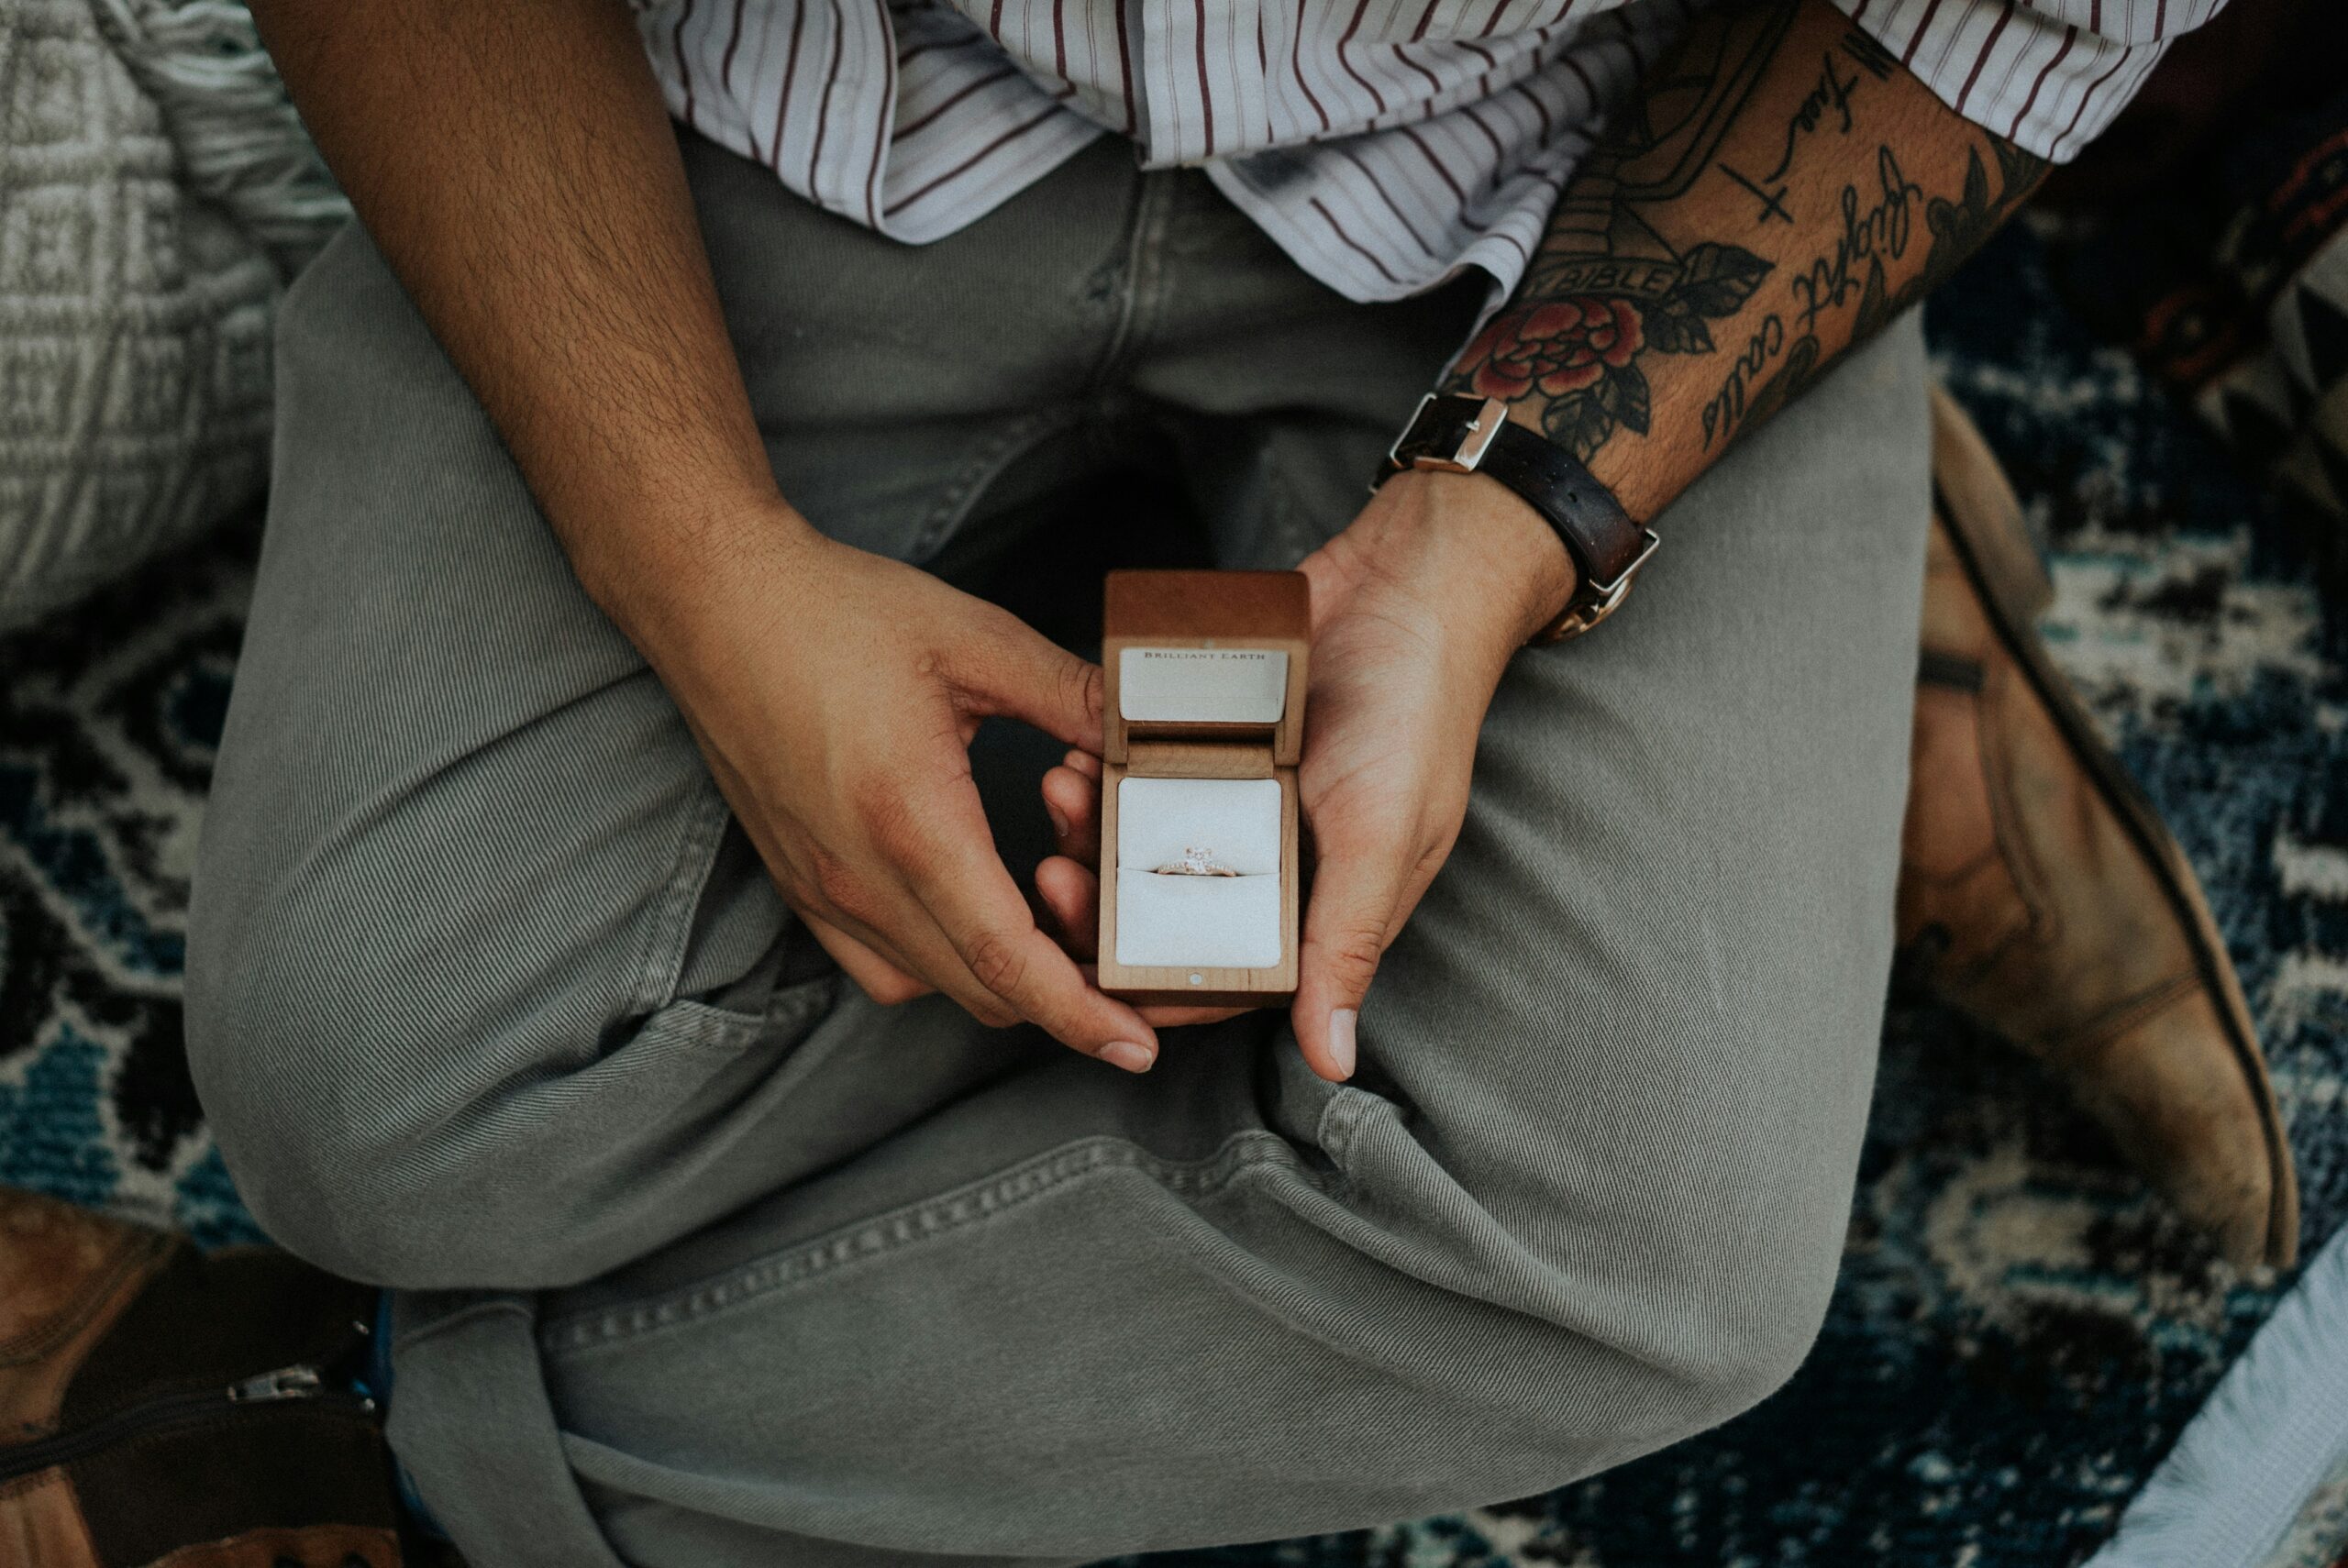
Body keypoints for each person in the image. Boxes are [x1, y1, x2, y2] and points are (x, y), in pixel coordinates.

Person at [180, 0, 2291, 1562]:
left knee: (1642, 1247)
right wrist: (703, 570)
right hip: (760, 112)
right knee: (373, 1094)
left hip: (1607, 198)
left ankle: (321, 1458)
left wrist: (1495, 542)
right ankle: (1721, 697)